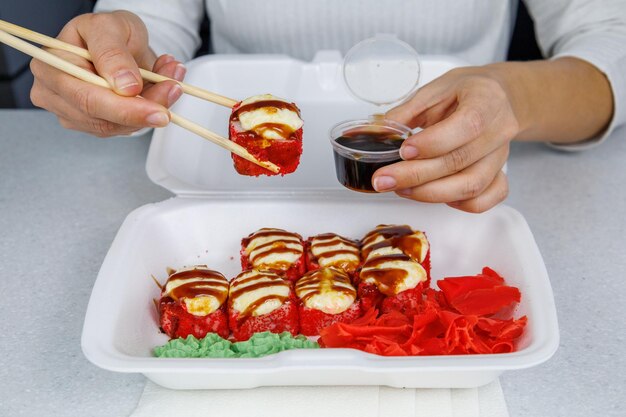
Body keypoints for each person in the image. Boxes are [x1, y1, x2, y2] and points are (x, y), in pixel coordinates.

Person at [29, 0, 626, 213]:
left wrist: (512, 95)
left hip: (458, 190)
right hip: (232, 188)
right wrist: (112, 64)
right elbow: (149, 28)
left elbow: (612, 36)